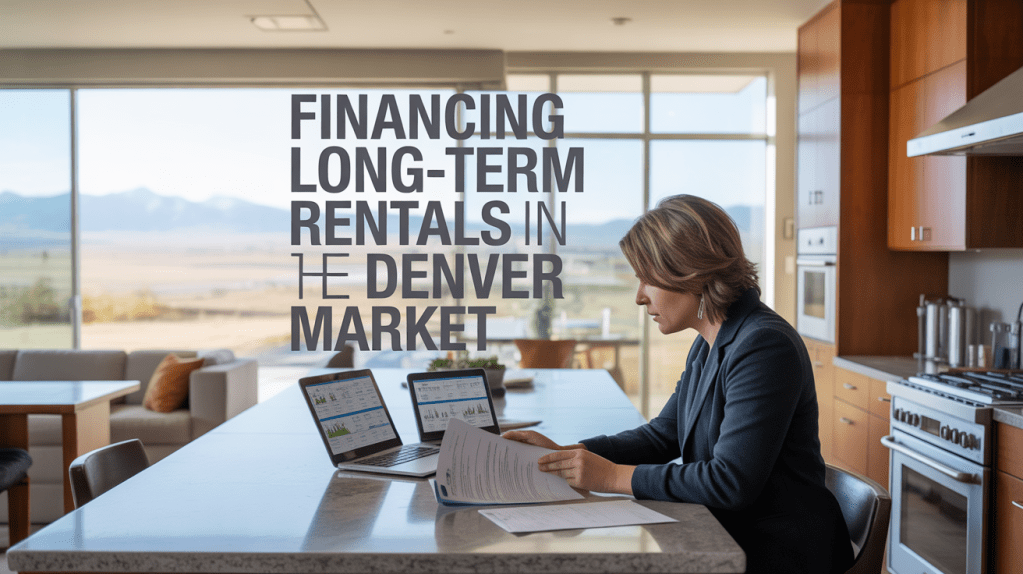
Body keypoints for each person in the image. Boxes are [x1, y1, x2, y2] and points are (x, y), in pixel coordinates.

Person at [504, 195, 854, 574]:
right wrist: (568, 456)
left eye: (646, 279)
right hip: (730, 537)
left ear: (691, 272)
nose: (639, 297)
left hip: (778, 554)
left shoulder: (765, 346)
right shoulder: (711, 341)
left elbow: (729, 481)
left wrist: (610, 476)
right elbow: (662, 435)